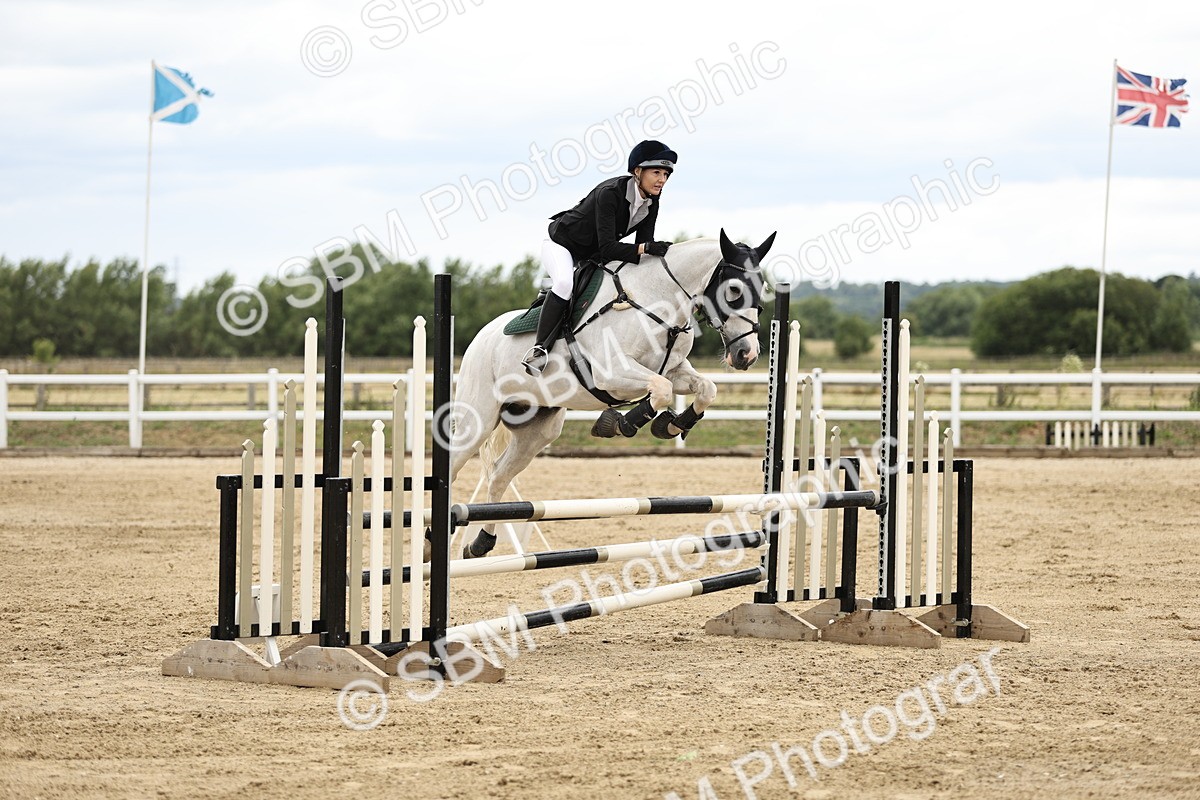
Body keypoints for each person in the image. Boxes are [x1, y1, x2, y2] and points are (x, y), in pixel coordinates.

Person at [521, 139, 677, 376]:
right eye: (656, 172)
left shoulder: (651, 202)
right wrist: (646, 248)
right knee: (564, 284)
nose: (662, 180)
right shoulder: (610, 194)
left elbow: (641, 249)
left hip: (593, 253)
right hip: (563, 244)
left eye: (665, 174)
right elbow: (610, 248)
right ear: (637, 171)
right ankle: (539, 349)